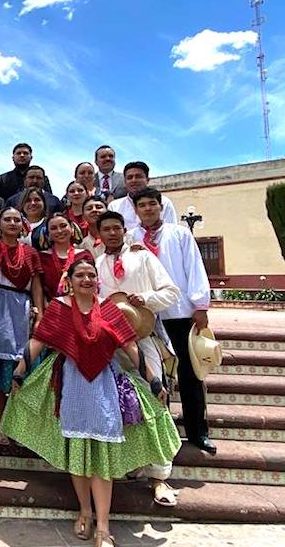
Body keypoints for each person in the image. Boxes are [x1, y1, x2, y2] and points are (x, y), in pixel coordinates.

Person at [0, 259, 181, 547]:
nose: (86, 279)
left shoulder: (109, 309)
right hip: (70, 385)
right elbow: (38, 341)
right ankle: (84, 511)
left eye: (91, 275)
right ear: (69, 280)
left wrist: (154, 381)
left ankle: (103, 527)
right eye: (80, 275)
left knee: (102, 461)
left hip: (104, 387)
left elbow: (131, 347)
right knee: (79, 456)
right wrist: (20, 372)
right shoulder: (59, 309)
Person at [95, 211, 181, 508]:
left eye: (117, 228)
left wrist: (146, 299)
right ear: (99, 233)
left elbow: (171, 292)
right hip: (110, 345)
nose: (112, 233)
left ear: (124, 230)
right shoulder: (94, 265)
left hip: (142, 337)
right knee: (122, 405)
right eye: (106, 229)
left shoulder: (142, 258)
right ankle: (131, 463)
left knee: (155, 401)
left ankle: (160, 476)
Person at [128, 187, 215, 454]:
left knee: (190, 374)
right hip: (147, 317)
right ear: (136, 210)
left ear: (161, 206)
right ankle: (162, 436)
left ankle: (198, 431)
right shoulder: (130, 237)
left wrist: (200, 304)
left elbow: (194, 267)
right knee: (155, 377)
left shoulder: (179, 234)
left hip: (179, 314)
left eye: (152, 204)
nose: (148, 209)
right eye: (142, 205)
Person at [0, 207, 44, 445]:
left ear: (23, 225)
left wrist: (39, 315)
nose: (12, 223)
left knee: (21, 366)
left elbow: (36, 285)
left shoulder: (30, 253)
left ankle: (19, 426)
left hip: (20, 309)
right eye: (7, 219)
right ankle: (0, 423)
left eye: (16, 219)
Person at [38, 213, 94, 301]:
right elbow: (38, 288)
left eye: (63, 226)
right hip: (51, 308)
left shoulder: (84, 255)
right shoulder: (42, 257)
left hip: (81, 305)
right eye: (53, 228)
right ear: (48, 234)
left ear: (72, 228)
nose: (59, 231)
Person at [108, 162, 177, 230]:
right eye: (129, 177)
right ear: (125, 182)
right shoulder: (114, 206)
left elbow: (171, 230)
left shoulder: (164, 202)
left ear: (147, 180)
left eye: (138, 177)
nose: (134, 180)